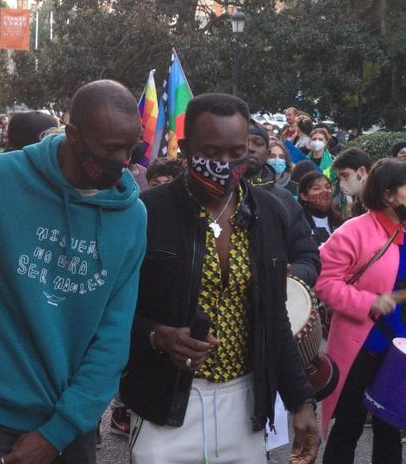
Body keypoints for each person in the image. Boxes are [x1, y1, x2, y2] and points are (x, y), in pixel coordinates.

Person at [0, 79, 147, 464]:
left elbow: (113, 334)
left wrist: (58, 432)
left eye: (130, 148)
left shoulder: (132, 217)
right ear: (73, 135)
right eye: (110, 149)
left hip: (73, 423)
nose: (123, 161)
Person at [122, 93, 320, 464]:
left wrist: (300, 400)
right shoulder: (147, 214)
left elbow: (274, 317)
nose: (225, 165)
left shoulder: (271, 213)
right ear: (185, 148)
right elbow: (113, 310)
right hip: (165, 404)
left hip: (245, 405)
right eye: (211, 153)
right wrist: (158, 335)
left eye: (236, 152)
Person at [314, 158, 406, 463]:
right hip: (365, 346)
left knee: (391, 427)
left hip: (401, 350)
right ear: (389, 194)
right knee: (350, 425)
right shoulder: (354, 231)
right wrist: (370, 301)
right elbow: (324, 282)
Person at [245, 119, 321, 284]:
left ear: (266, 154)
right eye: (243, 142)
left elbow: (309, 260)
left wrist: (290, 271)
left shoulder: (285, 200)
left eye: (257, 143)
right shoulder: (216, 197)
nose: (250, 148)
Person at [298, 171, 343, 246]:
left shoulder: (339, 222)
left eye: (327, 187)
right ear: (304, 196)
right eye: (316, 188)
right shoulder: (298, 224)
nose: (324, 191)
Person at [332, 147, 371, 218]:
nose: (341, 182)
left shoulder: (381, 203)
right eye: (340, 178)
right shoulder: (356, 205)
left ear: (362, 171)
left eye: (345, 175)